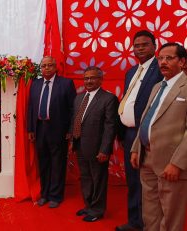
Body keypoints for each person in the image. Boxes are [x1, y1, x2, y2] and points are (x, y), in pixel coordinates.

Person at [130, 43, 187, 231]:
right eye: (161, 58)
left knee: (171, 215)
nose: (163, 62)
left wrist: (177, 163)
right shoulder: (157, 87)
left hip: (171, 163)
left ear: (182, 62)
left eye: (169, 58)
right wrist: (136, 148)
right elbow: (148, 118)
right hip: (146, 159)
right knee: (150, 211)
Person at [116, 30, 163, 231]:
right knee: (133, 180)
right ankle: (135, 221)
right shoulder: (131, 72)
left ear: (154, 46)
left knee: (149, 182)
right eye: (136, 45)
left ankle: (149, 224)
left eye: (144, 44)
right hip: (129, 134)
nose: (140, 48)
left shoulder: (160, 68)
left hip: (147, 134)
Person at [27, 56, 76, 208]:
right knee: (44, 164)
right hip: (40, 129)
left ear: (56, 67)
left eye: (50, 65)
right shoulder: (35, 84)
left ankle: (56, 196)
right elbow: (31, 108)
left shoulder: (66, 84)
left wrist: (70, 130)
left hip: (59, 130)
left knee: (58, 164)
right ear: (40, 68)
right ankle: (45, 194)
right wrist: (30, 129)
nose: (46, 68)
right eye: (43, 66)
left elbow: (73, 109)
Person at [70, 66, 118, 222]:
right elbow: (75, 120)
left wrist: (105, 149)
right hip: (80, 145)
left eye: (92, 78)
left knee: (98, 179)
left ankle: (97, 210)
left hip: (97, 148)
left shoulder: (108, 99)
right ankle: (88, 206)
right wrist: (72, 140)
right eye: (86, 78)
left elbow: (110, 126)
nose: (88, 81)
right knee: (85, 177)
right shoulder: (79, 98)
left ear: (101, 79)